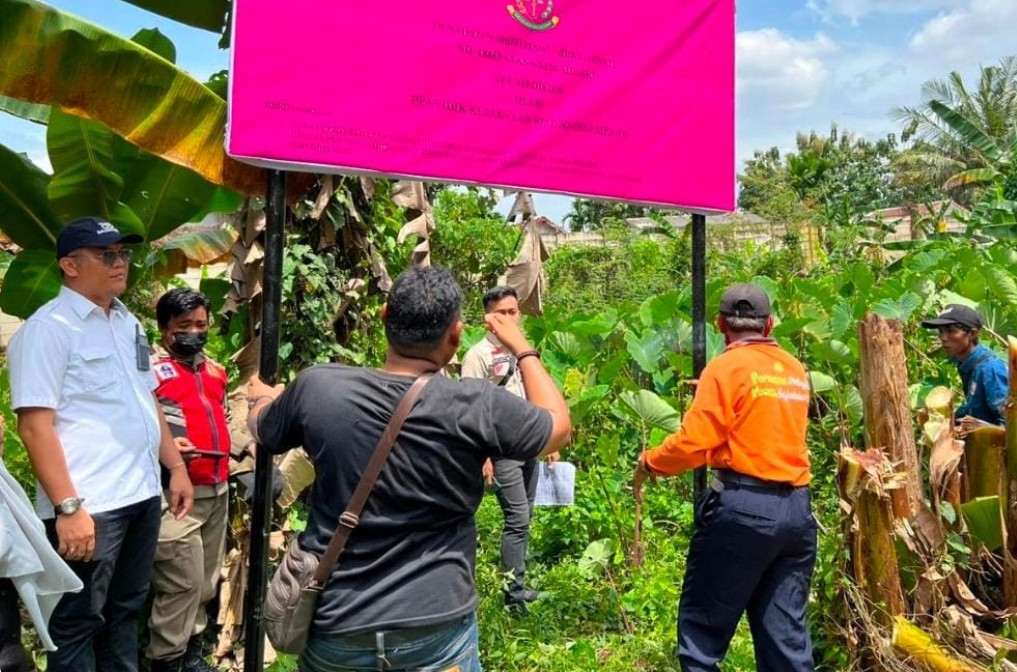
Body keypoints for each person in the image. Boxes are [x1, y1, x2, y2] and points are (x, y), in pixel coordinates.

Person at [247, 266, 570, 672]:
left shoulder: (319, 387)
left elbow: (264, 429)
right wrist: (522, 347)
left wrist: (262, 399)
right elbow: (558, 427)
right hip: (434, 629)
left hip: (340, 626)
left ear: (384, 316)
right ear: (455, 336)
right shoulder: (475, 405)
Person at [8, 216, 194, 672]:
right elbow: (35, 427)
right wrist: (68, 508)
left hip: (141, 495)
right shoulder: (47, 330)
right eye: (106, 255)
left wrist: (176, 467)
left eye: (123, 254)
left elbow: (145, 397)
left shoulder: (125, 321)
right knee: (78, 623)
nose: (120, 263)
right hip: (92, 506)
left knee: (124, 614)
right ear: (70, 265)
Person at [633, 283, 815, 672]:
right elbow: (762, 413)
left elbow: (696, 442)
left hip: (744, 508)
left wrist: (651, 462)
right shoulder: (795, 369)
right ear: (769, 325)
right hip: (797, 511)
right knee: (784, 635)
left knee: (704, 632)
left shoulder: (724, 367)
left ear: (720, 324)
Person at [146, 289, 230, 672]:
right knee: (182, 580)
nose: (194, 333)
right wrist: (166, 452)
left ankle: (193, 655)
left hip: (217, 487)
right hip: (173, 492)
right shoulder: (147, 370)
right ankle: (166, 659)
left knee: (207, 581)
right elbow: (138, 425)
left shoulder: (214, 370)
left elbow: (225, 419)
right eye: (184, 326)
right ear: (166, 330)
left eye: (201, 324)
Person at [461, 286, 559, 612]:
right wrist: (482, 455)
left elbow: (535, 398)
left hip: (528, 444)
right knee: (517, 517)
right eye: (501, 312)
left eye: (513, 311)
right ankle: (512, 595)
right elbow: (470, 410)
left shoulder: (523, 350)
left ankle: (517, 582)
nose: (509, 318)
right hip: (501, 449)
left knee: (525, 515)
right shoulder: (477, 356)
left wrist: (547, 441)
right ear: (488, 318)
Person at [921, 304, 1008, 434]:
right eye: (941, 332)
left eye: (951, 331)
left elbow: (1011, 426)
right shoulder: (968, 363)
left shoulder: (990, 369)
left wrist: (981, 428)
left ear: (972, 334)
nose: (943, 338)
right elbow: (974, 407)